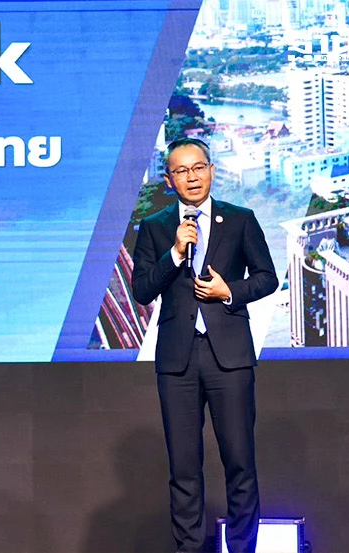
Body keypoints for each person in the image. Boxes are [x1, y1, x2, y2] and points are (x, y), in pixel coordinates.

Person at [131, 137, 278, 553]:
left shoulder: (241, 219)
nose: (192, 177)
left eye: (198, 168)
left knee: (240, 465)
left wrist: (228, 291)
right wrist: (176, 254)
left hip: (229, 358)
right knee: (184, 470)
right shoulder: (155, 227)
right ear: (169, 180)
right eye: (181, 171)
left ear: (212, 170)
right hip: (177, 362)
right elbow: (142, 290)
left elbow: (267, 278)